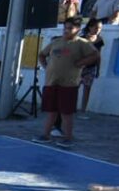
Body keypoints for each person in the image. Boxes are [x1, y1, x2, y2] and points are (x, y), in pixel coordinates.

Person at [33, 17, 98, 149]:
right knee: (51, 111)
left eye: (70, 28)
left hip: (69, 84)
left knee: (66, 113)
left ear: (78, 29)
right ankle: (45, 135)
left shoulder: (82, 43)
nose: (66, 31)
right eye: (65, 28)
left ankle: (68, 137)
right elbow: (42, 55)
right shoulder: (56, 42)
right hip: (51, 82)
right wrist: (46, 67)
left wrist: (81, 63)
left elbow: (95, 55)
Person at [78, 18, 104, 119]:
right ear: (90, 27)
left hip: (91, 68)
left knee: (87, 89)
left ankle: (83, 110)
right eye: (96, 27)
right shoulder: (82, 39)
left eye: (100, 28)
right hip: (80, 67)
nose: (98, 30)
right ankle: (71, 108)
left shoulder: (99, 40)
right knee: (75, 88)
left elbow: (99, 55)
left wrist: (98, 69)